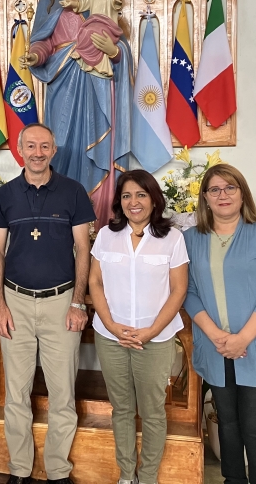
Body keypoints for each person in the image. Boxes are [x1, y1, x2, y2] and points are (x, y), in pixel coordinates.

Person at [0, 123, 95, 484]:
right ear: (20, 150)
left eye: (44, 146)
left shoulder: (73, 192)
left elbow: (83, 249)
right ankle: (19, 469)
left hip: (61, 302)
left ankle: (57, 471)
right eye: (30, 145)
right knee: (15, 394)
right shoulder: (5, 195)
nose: (37, 152)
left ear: (53, 151)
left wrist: (78, 302)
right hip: (15, 303)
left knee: (63, 393)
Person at [21, 0, 133, 228]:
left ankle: (96, 218)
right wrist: (36, 54)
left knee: (92, 145)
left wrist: (113, 50)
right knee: (59, 144)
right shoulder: (49, 1)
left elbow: (117, 41)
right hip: (61, 83)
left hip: (95, 81)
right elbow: (42, 40)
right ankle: (58, 215)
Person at [183, 164, 256, 484]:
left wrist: (242, 338)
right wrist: (216, 336)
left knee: (254, 428)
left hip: (255, 346)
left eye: (230, 188)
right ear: (205, 198)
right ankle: (233, 480)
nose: (222, 195)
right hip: (214, 347)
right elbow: (188, 292)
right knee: (226, 422)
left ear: (243, 194)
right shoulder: (190, 238)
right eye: (214, 189)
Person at [89, 170, 188, 484]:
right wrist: (111, 325)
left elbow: (178, 290)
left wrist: (150, 331)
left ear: (153, 198)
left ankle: (147, 477)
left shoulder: (172, 238)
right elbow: (95, 281)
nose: (134, 202)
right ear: (119, 201)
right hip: (111, 336)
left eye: (141, 195)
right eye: (127, 195)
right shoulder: (106, 235)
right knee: (121, 408)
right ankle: (126, 475)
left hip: (154, 339)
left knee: (152, 411)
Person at [60, 0, 123, 78]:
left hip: (107, 26)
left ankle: (87, 57)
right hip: (94, 24)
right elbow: (81, 3)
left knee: (94, 33)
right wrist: (71, 3)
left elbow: (116, 3)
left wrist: (117, 1)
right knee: (85, 31)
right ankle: (86, 58)